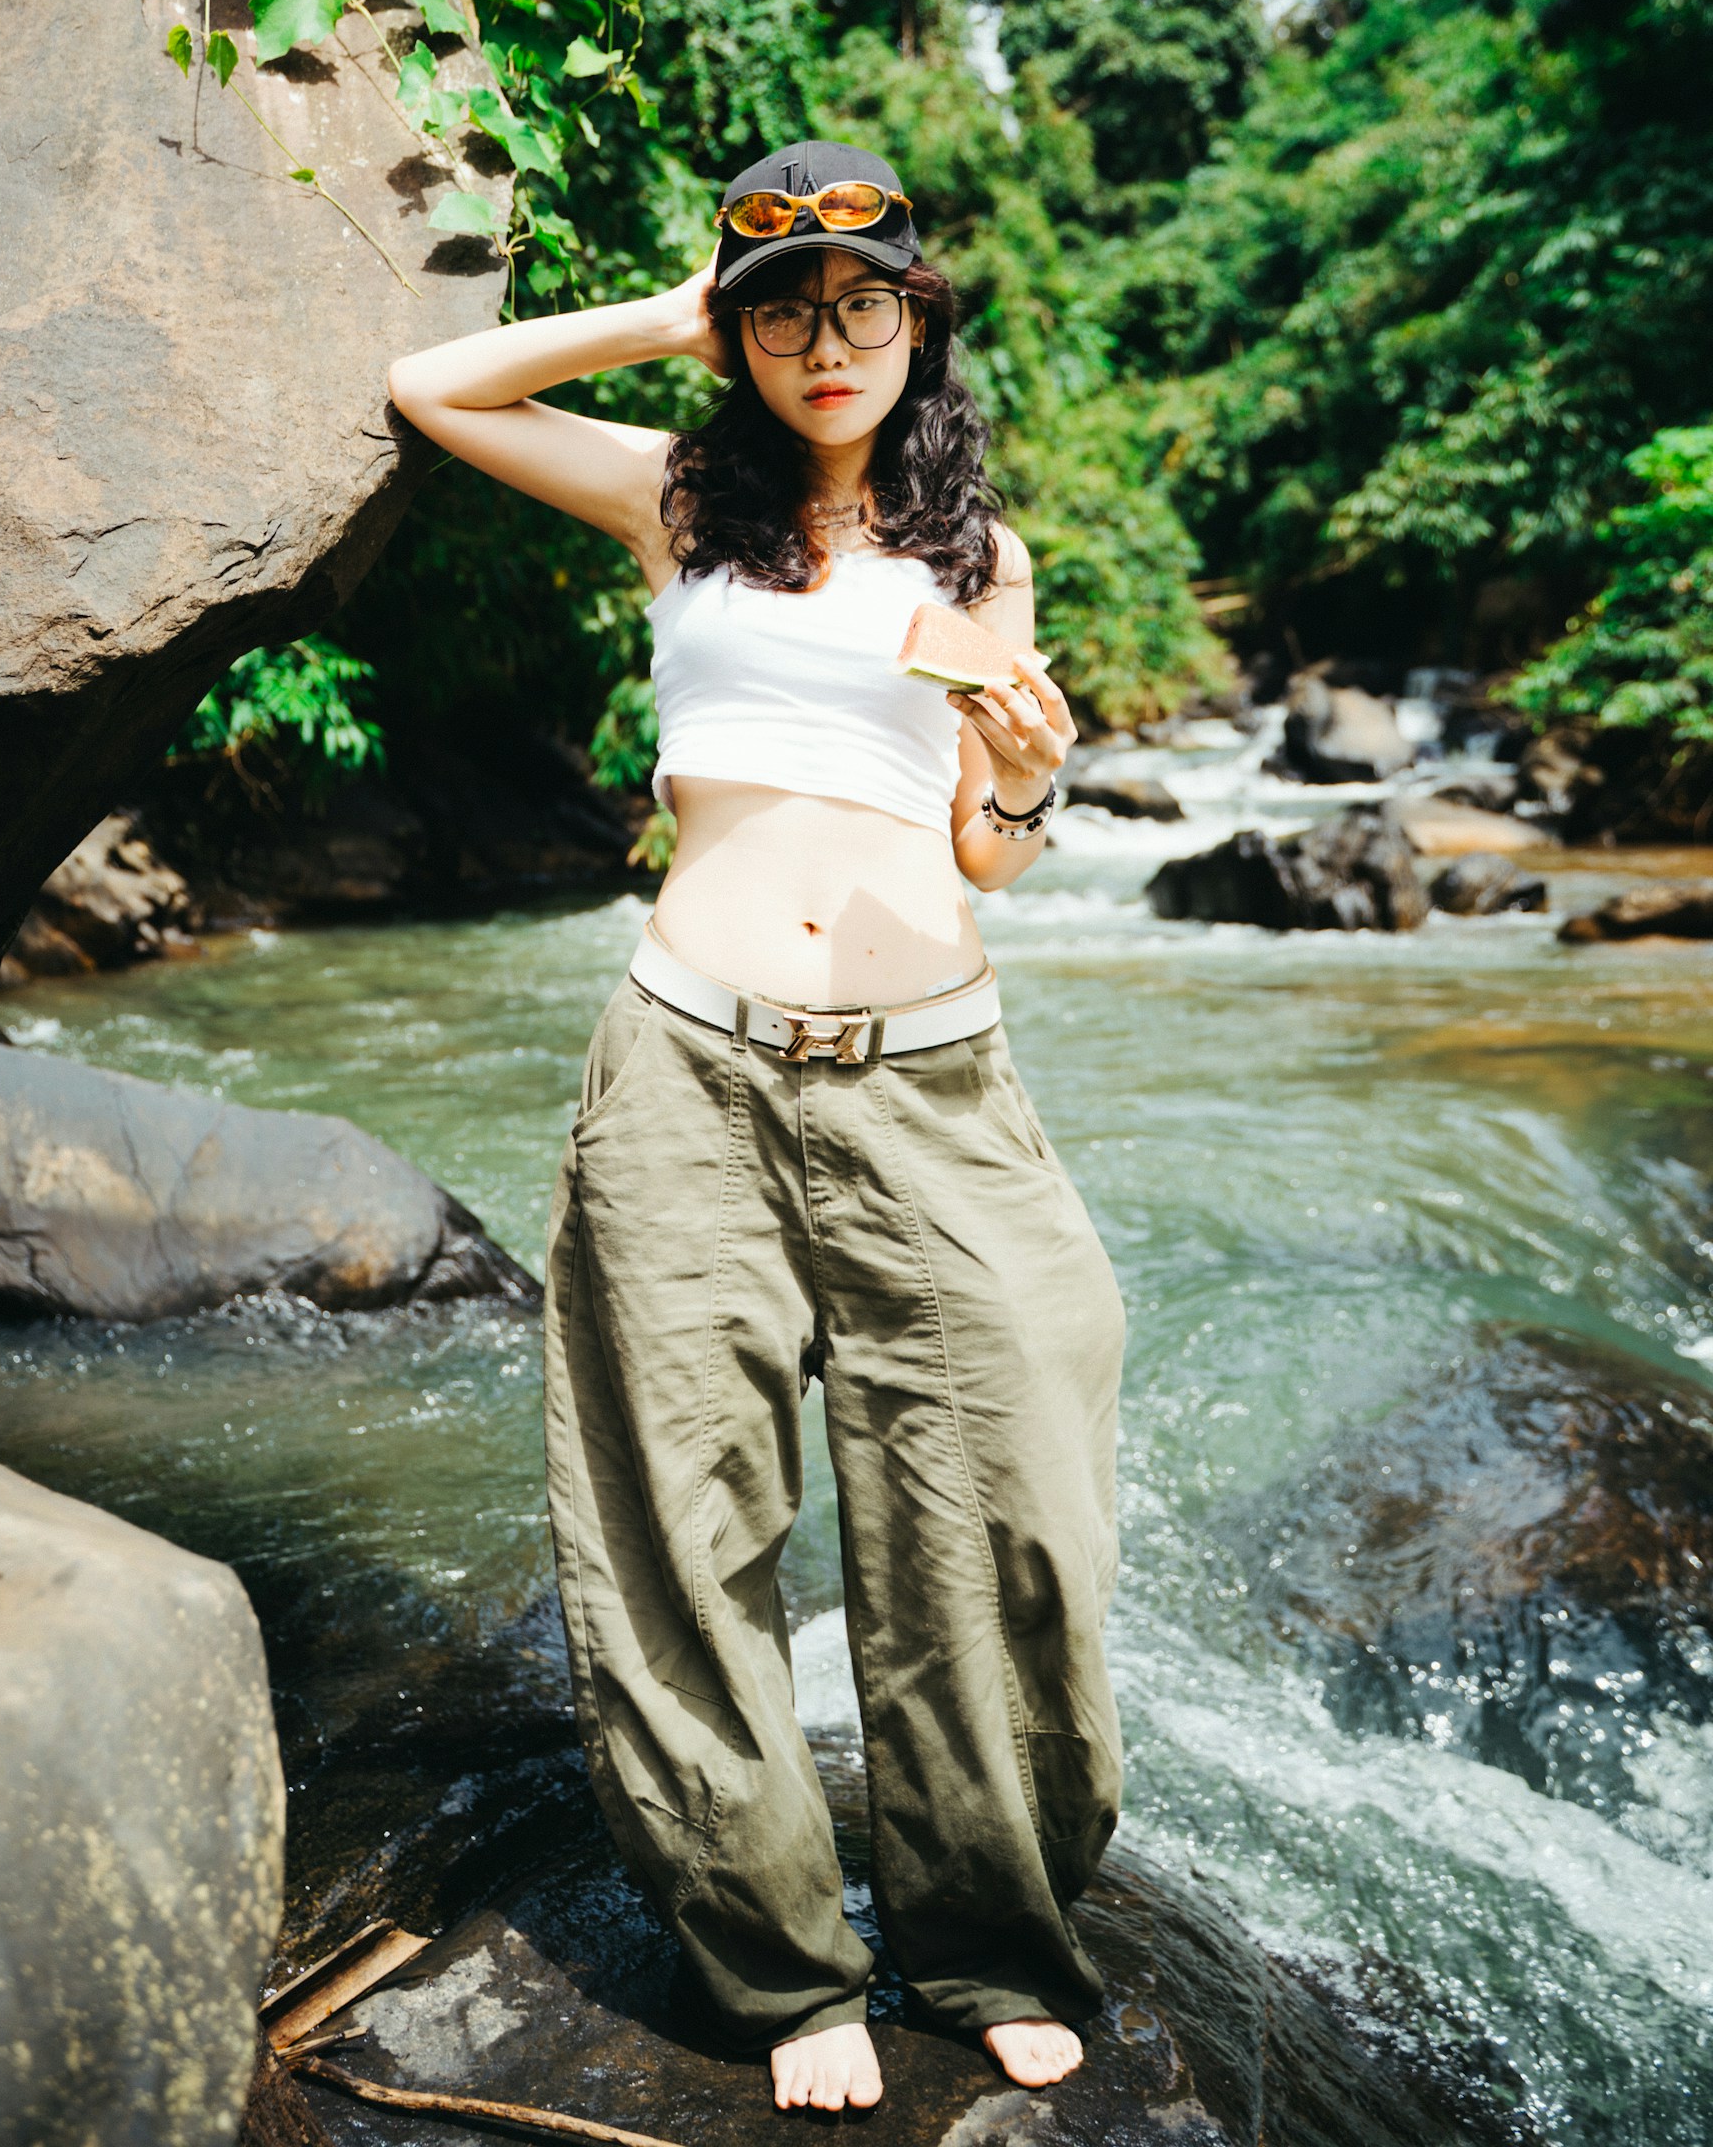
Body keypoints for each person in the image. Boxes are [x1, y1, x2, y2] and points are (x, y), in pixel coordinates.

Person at [387, 142, 1125, 2113]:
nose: (827, 339)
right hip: (690, 1064)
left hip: (934, 1074)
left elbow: (986, 848)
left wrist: (1033, 789)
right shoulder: (676, 497)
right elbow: (433, 388)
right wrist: (670, 318)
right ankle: (786, 1968)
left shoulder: (981, 562)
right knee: (680, 1510)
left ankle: (986, 1938)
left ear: (918, 321)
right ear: (739, 325)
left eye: (864, 300)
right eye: (784, 305)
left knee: (1003, 1500)